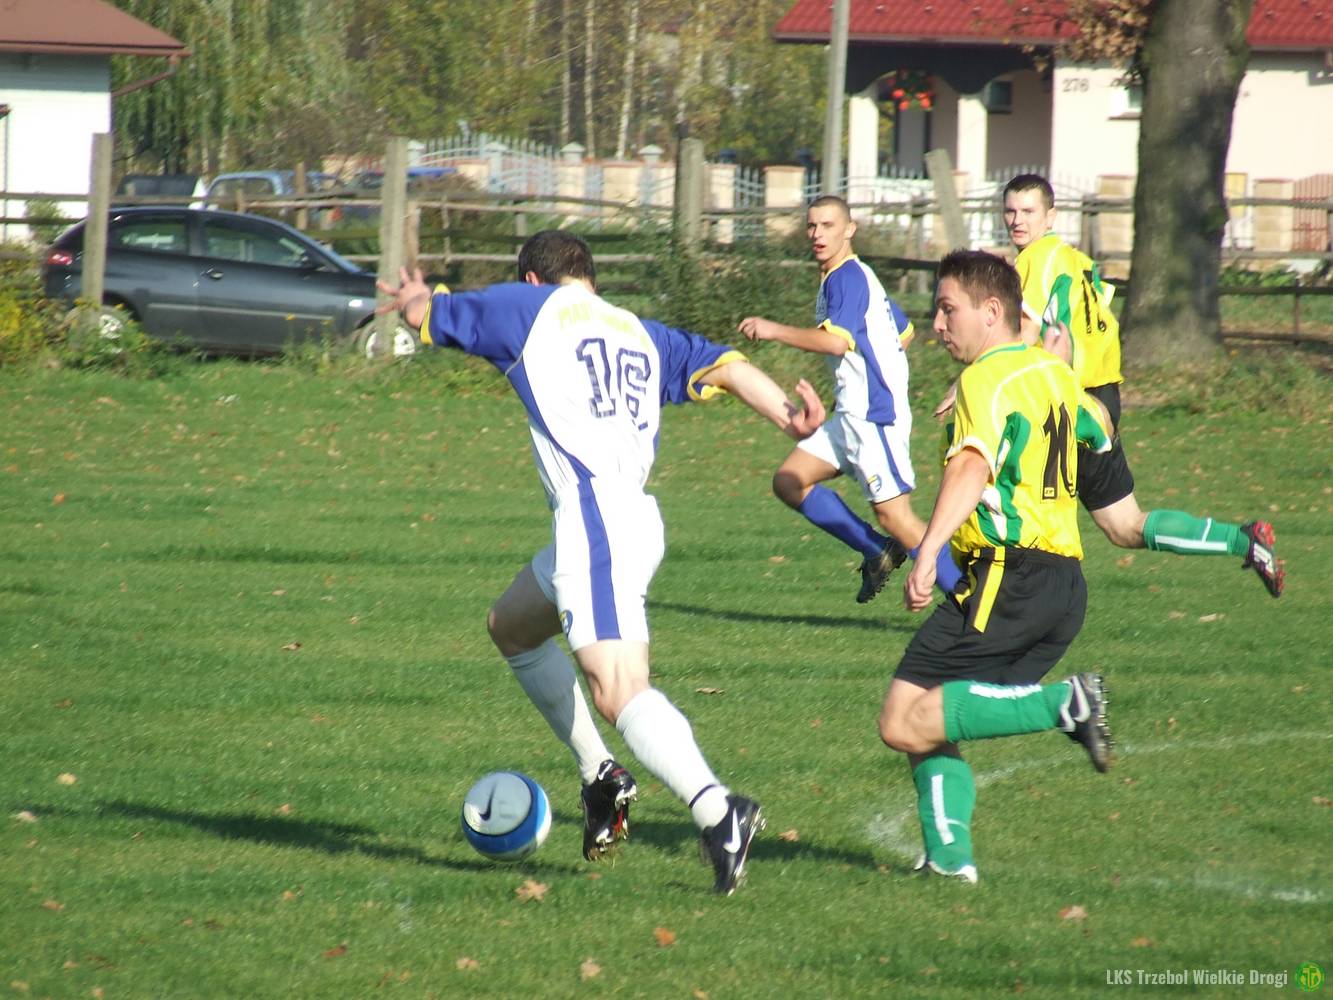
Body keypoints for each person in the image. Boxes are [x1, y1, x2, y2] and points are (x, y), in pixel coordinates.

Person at [376, 230, 826, 895]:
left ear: (532, 279)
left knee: (618, 690)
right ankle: (600, 775)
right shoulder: (638, 331)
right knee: (512, 627)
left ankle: (717, 811)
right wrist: (789, 417)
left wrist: (417, 298)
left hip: (595, 519)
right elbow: (727, 366)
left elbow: (428, 314)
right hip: (622, 518)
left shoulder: (529, 309)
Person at [878, 249, 1115, 883]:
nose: (937, 324)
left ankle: (1065, 704)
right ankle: (950, 860)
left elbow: (971, 465)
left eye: (947, 309)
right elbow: (1100, 431)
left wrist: (928, 550)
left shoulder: (987, 379)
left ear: (990, 311)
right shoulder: (1051, 374)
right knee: (922, 717)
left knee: (903, 718)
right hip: (1062, 585)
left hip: (1011, 577)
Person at [997, 173, 1284, 597]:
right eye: (1010, 211)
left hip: (1070, 403)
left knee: (1000, 482)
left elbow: (1025, 332)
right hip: (1100, 398)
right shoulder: (1077, 260)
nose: (1017, 220)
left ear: (1051, 216)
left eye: (1028, 211)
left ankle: (965, 585)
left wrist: (979, 378)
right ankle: (1244, 540)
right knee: (1125, 525)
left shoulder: (1035, 260)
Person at [738, 195, 963, 604]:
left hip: (873, 416)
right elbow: (903, 332)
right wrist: (871, 370)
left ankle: (971, 603)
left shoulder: (847, 277)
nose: (817, 234)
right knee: (790, 481)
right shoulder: (849, 277)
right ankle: (876, 550)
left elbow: (836, 343)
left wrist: (773, 330)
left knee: (895, 516)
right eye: (812, 226)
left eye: (828, 225)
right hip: (850, 414)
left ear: (849, 229)